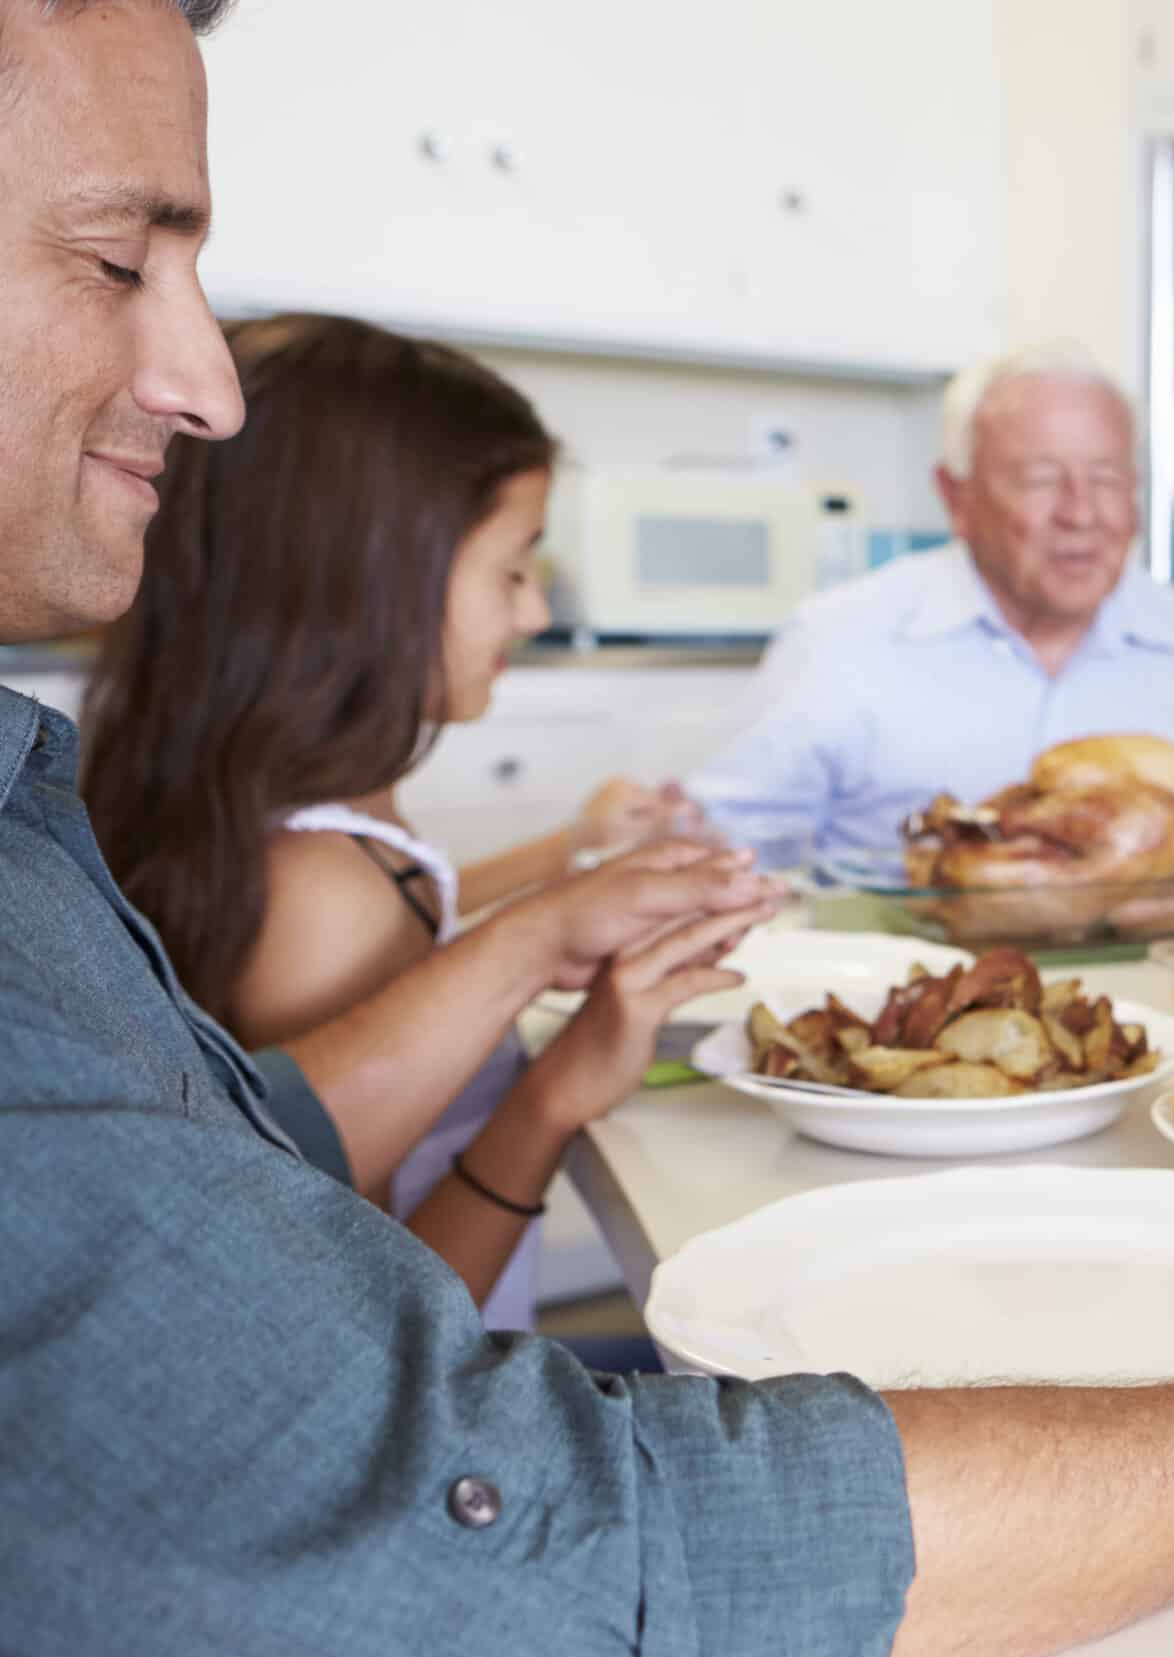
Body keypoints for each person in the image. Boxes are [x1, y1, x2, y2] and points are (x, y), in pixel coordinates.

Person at [0, 6, 1174, 1657]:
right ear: (964, 498)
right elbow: (583, 1558)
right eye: (119, 259)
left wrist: (547, 1061)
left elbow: (282, 1246)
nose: (206, 382)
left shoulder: (37, 832)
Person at [82, 313, 720, 1330]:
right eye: (512, 571)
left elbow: (413, 903)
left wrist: (571, 856)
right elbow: (378, 1333)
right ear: (376, 581)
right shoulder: (325, 894)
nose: (534, 615)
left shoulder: (266, 799)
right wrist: (555, 1093)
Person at [685, 345, 1174, 866]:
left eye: (1108, 479)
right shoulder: (843, 637)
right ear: (956, 498)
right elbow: (724, 847)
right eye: (1040, 480)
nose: (1081, 514)